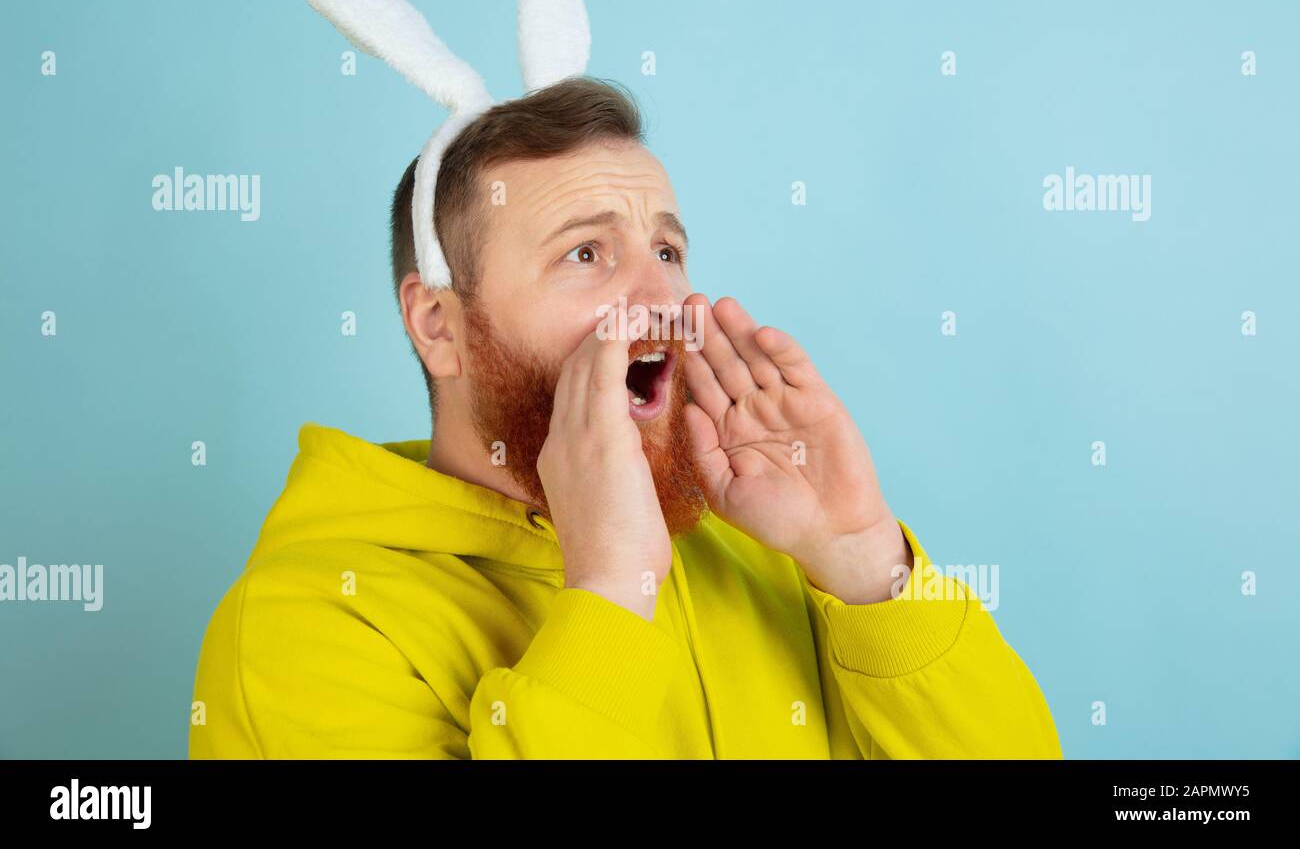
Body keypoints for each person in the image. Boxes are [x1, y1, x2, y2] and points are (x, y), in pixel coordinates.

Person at [188, 76, 1063, 759]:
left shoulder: (765, 549)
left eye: (668, 251)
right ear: (438, 326)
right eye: (585, 252)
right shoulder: (306, 627)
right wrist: (611, 590)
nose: (663, 300)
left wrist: (865, 559)